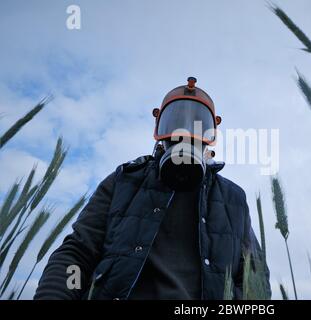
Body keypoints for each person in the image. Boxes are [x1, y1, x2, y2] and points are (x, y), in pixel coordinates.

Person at [34, 77, 271, 300]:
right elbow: (77, 254)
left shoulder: (233, 199)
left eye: (199, 125)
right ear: (159, 130)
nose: (185, 133)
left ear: (211, 135)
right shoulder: (122, 182)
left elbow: (254, 279)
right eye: (175, 122)